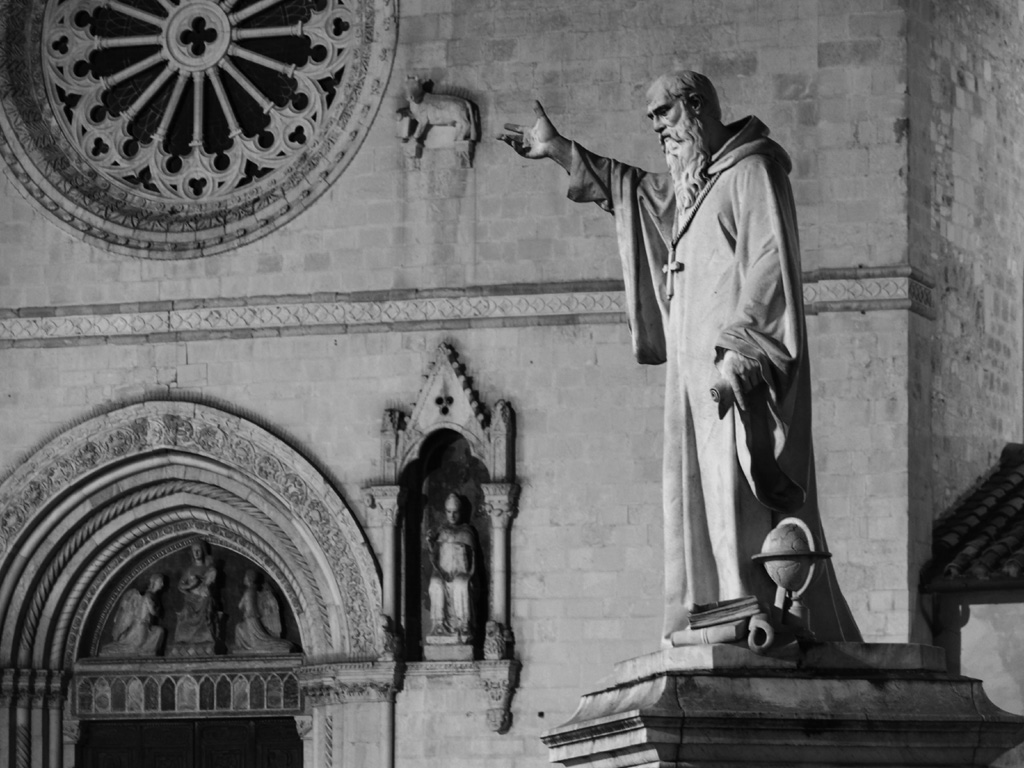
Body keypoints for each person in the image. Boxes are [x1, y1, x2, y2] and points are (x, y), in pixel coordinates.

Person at [500, 71, 860, 646]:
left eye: (663, 114)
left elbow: (769, 261)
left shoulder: (753, 170)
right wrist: (560, 149)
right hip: (688, 376)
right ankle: (713, 609)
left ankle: (754, 610)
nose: (657, 129)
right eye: (651, 120)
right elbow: (634, 192)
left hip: (732, 365)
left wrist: (742, 348)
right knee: (692, 491)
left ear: (697, 107)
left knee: (735, 487)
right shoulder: (696, 187)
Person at [427, 493, 478, 641]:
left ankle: (464, 624)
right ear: (445, 512)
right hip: (442, 571)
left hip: (461, 572)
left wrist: (469, 574)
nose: (452, 516)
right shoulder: (442, 531)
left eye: (455, 512)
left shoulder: (466, 532)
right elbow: (434, 556)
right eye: (449, 512)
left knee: (461, 584)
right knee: (435, 584)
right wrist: (430, 543)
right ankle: (438, 625)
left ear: (460, 513)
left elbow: (473, 559)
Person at [170, 539, 219, 654]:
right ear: (191, 553)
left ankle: (205, 638)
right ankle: (184, 640)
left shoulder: (209, 569)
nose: (196, 553)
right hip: (191, 599)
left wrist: (203, 586)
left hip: (204, 598)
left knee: (207, 603)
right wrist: (191, 586)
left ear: (203, 552)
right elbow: (180, 586)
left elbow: (211, 585)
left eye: (199, 550)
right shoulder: (190, 570)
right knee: (186, 611)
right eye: (194, 551)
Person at [99, 573, 166, 657]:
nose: (162, 584)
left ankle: (147, 651)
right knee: (136, 645)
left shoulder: (152, 596)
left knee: (159, 631)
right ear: (154, 582)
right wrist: (158, 610)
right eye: (160, 581)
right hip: (141, 626)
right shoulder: (148, 596)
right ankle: (111, 649)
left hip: (147, 626)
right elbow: (153, 612)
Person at [234, 569, 293, 654]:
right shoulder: (254, 591)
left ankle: (249, 647)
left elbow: (240, 606)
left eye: (245, 577)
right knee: (239, 628)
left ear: (248, 579)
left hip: (250, 618)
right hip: (251, 618)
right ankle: (246, 646)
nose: (244, 579)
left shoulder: (248, 591)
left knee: (242, 630)